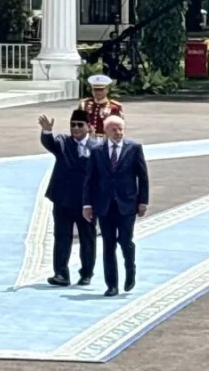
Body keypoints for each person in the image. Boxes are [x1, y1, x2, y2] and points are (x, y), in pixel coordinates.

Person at [82, 116, 149, 296]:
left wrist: (143, 201)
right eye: (114, 129)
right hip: (104, 205)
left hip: (127, 204)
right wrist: (87, 204)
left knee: (125, 242)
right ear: (106, 131)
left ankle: (130, 270)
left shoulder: (134, 148)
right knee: (108, 245)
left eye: (121, 129)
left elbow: (142, 177)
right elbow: (90, 180)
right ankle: (112, 284)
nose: (118, 133)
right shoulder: (97, 151)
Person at [40, 110, 99, 286]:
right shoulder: (63, 142)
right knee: (61, 237)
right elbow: (50, 144)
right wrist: (47, 131)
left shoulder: (97, 148)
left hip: (86, 203)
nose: (76, 128)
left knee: (87, 238)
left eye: (80, 125)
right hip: (63, 199)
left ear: (89, 127)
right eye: (73, 125)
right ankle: (61, 274)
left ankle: (86, 273)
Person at [82, 74, 124, 139]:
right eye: (95, 90)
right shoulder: (84, 104)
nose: (98, 92)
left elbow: (119, 127)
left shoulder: (114, 107)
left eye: (101, 89)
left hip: (105, 140)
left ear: (107, 90)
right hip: (87, 139)